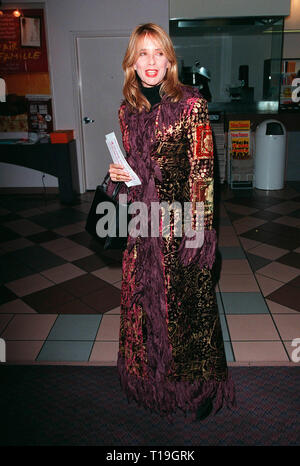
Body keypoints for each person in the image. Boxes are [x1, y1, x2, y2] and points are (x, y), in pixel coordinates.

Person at [107, 23, 235, 421]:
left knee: (187, 313)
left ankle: (197, 393)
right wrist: (118, 176)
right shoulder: (127, 110)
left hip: (181, 226)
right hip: (142, 227)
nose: (150, 62)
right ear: (132, 61)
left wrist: (198, 234)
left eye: (158, 53)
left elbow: (202, 174)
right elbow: (136, 171)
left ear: (169, 60)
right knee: (144, 309)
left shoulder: (191, 104)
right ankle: (152, 387)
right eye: (142, 54)